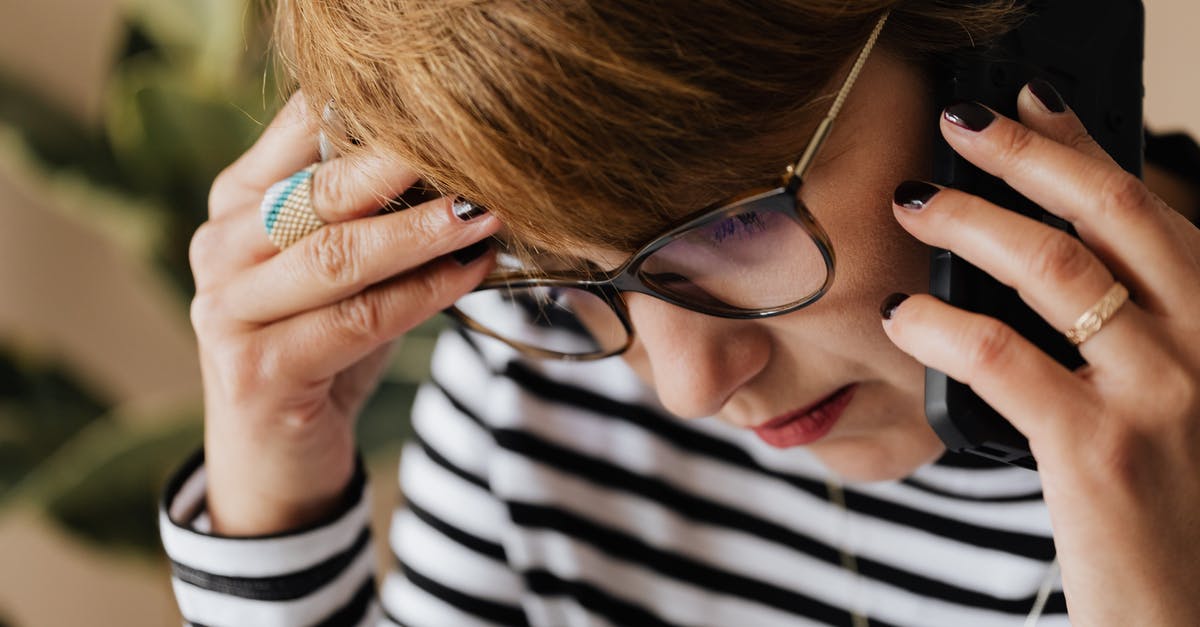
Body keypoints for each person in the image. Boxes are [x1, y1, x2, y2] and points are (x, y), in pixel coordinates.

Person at [159, 1, 1200, 625]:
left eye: (739, 223)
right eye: (565, 271)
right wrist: (272, 497)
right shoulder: (540, 378)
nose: (690, 388)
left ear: (1016, 42)